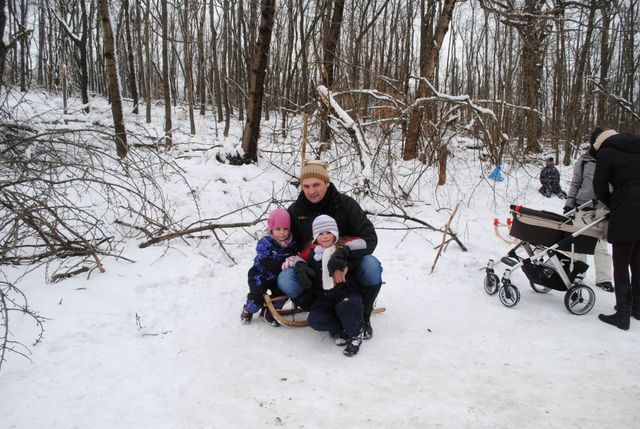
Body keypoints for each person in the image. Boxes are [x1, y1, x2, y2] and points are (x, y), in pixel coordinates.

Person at [277, 160, 383, 340]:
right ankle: (325, 313)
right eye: (306, 186)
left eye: (316, 185)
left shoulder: (345, 204)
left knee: (371, 265)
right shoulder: (295, 211)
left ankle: (363, 316)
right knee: (285, 279)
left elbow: (369, 238)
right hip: (315, 273)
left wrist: (346, 258)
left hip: (347, 271)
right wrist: (300, 265)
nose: (311, 191)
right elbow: (285, 244)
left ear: (326, 182)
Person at [283, 215, 366, 356]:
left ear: (335, 233)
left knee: (348, 305)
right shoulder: (312, 249)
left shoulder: (343, 244)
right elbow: (298, 258)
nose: (325, 237)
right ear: (315, 236)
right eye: (321, 233)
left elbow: (362, 243)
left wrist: (344, 251)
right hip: (324, 296)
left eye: (329, 232)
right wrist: (300, 266)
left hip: (345, 291)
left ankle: (356, 334)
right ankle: (341, 329)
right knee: (315, 320)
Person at [591, 128, 640, 330]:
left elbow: (599, 186)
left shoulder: (606, 152)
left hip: (625, 206)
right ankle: (637, 307)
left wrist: (614, 203)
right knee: (637, 259)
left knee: (620, 260)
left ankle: (622, 313)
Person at [563, 150, 613, 292]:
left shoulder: (613, 159)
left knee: (601, 246)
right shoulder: (584, 160)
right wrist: (569, 203)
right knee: (579, 242)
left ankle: (604, 278)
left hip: (603, 209)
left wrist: (613, 206)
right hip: (582, 206)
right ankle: (578, 273)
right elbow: (576, 183)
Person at [241, 208, 297, 326]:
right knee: (257, 297)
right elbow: (264, 260)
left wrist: (292, 260)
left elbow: (294, 256)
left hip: (277, 277)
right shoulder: (265, 242)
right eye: (278, 229)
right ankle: (248, 309)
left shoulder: (291, 243)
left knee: (282, 295)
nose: (282, 233)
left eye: (285, 229)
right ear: (271, 229)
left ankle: (268, 312)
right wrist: (281, 266)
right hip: (260, 274)